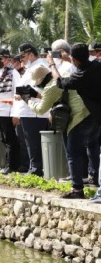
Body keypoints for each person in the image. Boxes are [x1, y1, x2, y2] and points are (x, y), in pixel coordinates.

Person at [46, 43, 101, 201]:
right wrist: (71, 59)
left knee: (73, 152)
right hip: (97, 117)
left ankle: (77, 189)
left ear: (74, 59)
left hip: (84, 117)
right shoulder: (97, 65)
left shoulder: (81, 76)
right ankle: (95, 179)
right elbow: (84, 65)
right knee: (93, 147)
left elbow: (60, 83)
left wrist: (51, 63)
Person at [12, 43, 49, 177]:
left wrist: (22, 94)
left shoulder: (40, 66)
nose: (21, 59)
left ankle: (36, 169)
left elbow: (40, 88)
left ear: (31, 54)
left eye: (23, 56)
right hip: (27, 110)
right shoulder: (30, 67)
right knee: (28, 141)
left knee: (33, 142)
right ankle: (33, 167)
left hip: (35, 111)